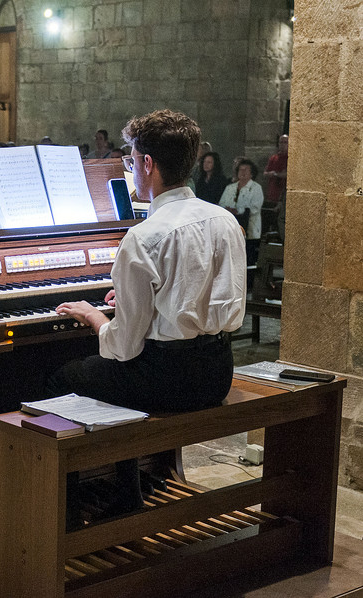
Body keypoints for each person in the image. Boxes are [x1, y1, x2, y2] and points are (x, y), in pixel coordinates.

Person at [47, 109, 246, 524]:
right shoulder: (225, 220)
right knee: (113, 374)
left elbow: (123, 347)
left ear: (147, 164)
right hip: (216, 371)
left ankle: (64, 516)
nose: (131, 167)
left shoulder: (143, 235)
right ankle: (127, 487)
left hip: (167, 380)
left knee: (62, 375)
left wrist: (94, 317)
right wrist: (138, 302)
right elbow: (200, 298)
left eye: (131, 159)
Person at [219, 158, 265, 267]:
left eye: (246, 170)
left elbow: (255, 207)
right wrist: (227, 209)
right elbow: (222, 203)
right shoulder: (230, 187)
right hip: (232, 227)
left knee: (248, 260)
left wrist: (239, 210)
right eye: (240, 170)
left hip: (249, 228)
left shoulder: (256, 188)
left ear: (251, 173)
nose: (242, 172)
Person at [263, 134, 288, 204]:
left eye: (285, 142)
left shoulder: (291, 158)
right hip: (273, 193)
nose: (283, 145)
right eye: (281, 142)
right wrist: (270, 174)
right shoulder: (274, 158)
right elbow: (265, 173)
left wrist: (276, 174)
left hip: (284, 194)